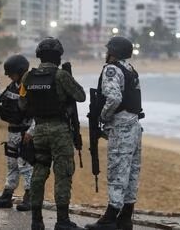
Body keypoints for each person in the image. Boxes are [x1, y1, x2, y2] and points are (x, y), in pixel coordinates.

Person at [19, 37, 86, 230]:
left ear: (39, 56)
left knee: (39, 173)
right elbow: (80, 96)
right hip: (59, 131)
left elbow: (22, 104)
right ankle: (62, 221)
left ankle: (36, 220)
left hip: (39, 130)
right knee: (62, 174)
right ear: (58, 56)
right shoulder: (60, 76)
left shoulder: (27, 77)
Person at [85, 36, 143, 230]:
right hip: (134, 126)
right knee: (131, 172)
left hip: (121, 126)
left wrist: (103, 116)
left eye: (108, 49)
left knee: (117, 171)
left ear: (113, 52)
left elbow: (114, 98)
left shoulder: (112, 70)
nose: (106, 53)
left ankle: (110, 218)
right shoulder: (131, 70)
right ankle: (125, 218)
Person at [0, 54, 34, 211]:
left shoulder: (31, 87)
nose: (9, 76)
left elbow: (39, 113)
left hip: (25, 133)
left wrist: (32, 132)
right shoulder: (12, 86)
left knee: (25, 165)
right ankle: (7, 196)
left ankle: (29, 196)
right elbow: (2, 99)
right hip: (12, 131)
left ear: (20, 71)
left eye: (11, 73)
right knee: (12, 164)